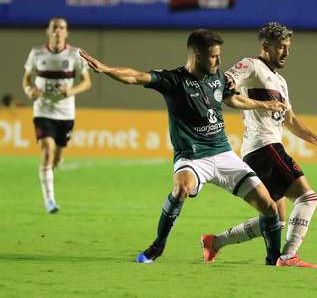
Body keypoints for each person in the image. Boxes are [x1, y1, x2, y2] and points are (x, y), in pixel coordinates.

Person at [79, 29, 287, 265]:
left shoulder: (217, 77)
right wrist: (106, 69)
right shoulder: (173, 80)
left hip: (224, 154)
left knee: (269, 207)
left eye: (219, 55)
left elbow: (234, 99)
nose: (218, 61)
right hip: (192, 157)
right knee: (181, 188)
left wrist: (264, 104)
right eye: (213, 56)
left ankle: (273, 260)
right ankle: (158, 245)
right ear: (197, 54)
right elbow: (136, 76)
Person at [200, 22, 317, 268]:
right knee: (308, 198)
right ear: (265, 46)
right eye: (281, 47)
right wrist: (233, 87)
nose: (286, 52)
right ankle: (288, 256)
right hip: (264, 147)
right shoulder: (252, 66)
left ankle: (214, 242)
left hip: (262, 150)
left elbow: (291, 120)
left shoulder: (280, 81)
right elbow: (226, 80)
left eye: (288, 47)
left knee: (276, 217)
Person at [22, 17, 92, 214]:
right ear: (48, 31)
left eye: (61, 28)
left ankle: (50, 171)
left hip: (66, 113)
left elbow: (87, 82)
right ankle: (49, 200)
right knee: (47, 151)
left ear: (66, 32)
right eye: (54, 27)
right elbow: (26, 80)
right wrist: (28, 90)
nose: (58, 31)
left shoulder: (74, 55)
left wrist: (71, 91)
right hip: (42, 110)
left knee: (57, 157)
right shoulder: (36, 53)